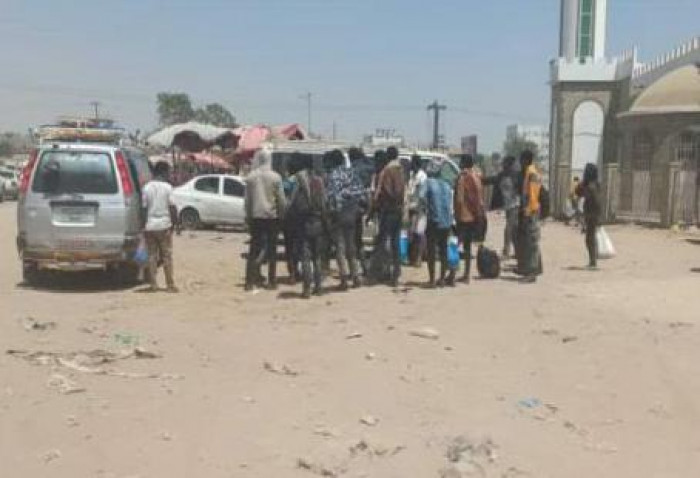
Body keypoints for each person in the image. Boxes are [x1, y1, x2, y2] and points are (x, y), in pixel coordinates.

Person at [244, 148, 287, 291]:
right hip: (271, 217)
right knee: (272, 250)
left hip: (255, 216)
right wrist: (282, 215)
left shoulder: (251, 177)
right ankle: (272, 281)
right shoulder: (276, 177)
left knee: (253, 250)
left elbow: (247, 201)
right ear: (270, 160)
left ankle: (249, 282)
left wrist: (248, 217)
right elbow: (281, 200)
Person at [288, 156, 329, 298]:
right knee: (317, 257)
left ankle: (306, 289)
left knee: (305, 258)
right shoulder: (319, 181)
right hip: (318, 222)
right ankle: (318, 287)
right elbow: (324, 204)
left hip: (303, 223)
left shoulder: (298, 181)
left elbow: (291, 203)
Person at [326, 149, 363, 290]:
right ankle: (356, 276)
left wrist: (331, 213)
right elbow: (360, 192)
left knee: (340, 249)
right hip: (352, 213)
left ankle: (344, 279)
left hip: (339, 214)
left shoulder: (333, 175)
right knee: (351, 247)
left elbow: (332, 196)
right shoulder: (352, 173)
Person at [371, 146, 406, 287]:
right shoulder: (400, 170)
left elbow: (383, 191)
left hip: (388, 210)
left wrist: (374, 207)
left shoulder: (387, 171)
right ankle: (396, 273)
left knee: (382, 242)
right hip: (399, 210)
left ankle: (379, 272)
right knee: (395, 243)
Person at [142, 161, 179, 293]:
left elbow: (144, 209)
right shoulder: (168, 188)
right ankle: (170, 284)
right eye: (168, 172)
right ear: (164, 172)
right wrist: (174, 224)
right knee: (166, 256)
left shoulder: (146, 188)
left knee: (152, 256)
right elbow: (172, 207)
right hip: (164, 225)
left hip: (150, 226)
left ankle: (153, 284)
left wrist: (143, 225)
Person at [454, 154, 485, 284]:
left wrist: (456, 214)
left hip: (464, 216)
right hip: (474, 215)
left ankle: (451, 273)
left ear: (463, 163)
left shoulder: (463, 177)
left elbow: (460, 199)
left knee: (454, 245)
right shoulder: (476, 176)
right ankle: (466, 275)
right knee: (467, 247)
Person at [422, 168, 456, 287]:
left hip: (434, 220)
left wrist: (425, 207)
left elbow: (420, 196)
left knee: (431, 250)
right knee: (443, 250)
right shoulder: (446, 185)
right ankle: (441, 279)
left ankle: (432, 280)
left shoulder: (428, 182)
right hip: (446, 221)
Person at [485, 156, 520, 258]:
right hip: (508, 206)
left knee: (509, 229)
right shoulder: (502, 176)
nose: (503, 166)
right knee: (513, 230)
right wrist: (479, 179)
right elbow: (491, 180)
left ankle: (507, 251)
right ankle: (517, 251)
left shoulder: (516, 177)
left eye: (505, 164)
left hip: (515, 205)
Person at [520, 150, 542, 283]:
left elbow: (532, 195)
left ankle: (532, 273)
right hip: (533, 210)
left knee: (531, 242)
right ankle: (537, 268)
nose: (520, 162)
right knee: (533, 241)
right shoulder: (533, 171)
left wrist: (528, 212)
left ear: (526, 160)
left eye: (521, 159)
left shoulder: (531, 173)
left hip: (531, 211)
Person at [575, 164, 602, 268]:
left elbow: (596, 201)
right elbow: (578, 192)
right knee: (590, 237)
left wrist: (596, 216)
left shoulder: (591, 187)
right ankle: (593, 260)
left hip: (592, 215)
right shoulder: (594, 185)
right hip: (592, 214)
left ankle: (593, 261)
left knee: (590, 238)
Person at [407, 155, 428, 267]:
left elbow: (422, 195)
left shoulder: (422, 176)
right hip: (411, 207)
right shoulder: (412, 175)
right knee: (412, 234)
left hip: (420, 209)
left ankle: (419, 257)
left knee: (419, 233)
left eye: (412, 163)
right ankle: (412, 257)